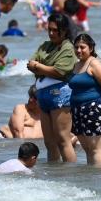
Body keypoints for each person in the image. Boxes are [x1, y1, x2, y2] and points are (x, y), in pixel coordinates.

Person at [28, 13, 77, 163]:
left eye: (55, 30)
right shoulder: (45, 45)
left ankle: (71, 174)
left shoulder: (68, 48)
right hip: (43, 96)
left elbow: (59, 71)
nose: (51, 33)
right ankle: (55, 176)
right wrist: (40, 67)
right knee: (49, 143)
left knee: (63, 140)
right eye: (49, 29)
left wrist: (39, 66)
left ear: (64, 31)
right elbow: (31, 63)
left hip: (60, 95)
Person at [69, 33, 101, 166]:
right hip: (77, 110)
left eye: (82, 47)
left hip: (93, 108)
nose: (79, 50)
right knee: (87, 149)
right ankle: (90, 178)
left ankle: (98, 178)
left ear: (91, 48)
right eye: (76, 47)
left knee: (95, 149)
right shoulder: (76, 65)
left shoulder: (95, 64)